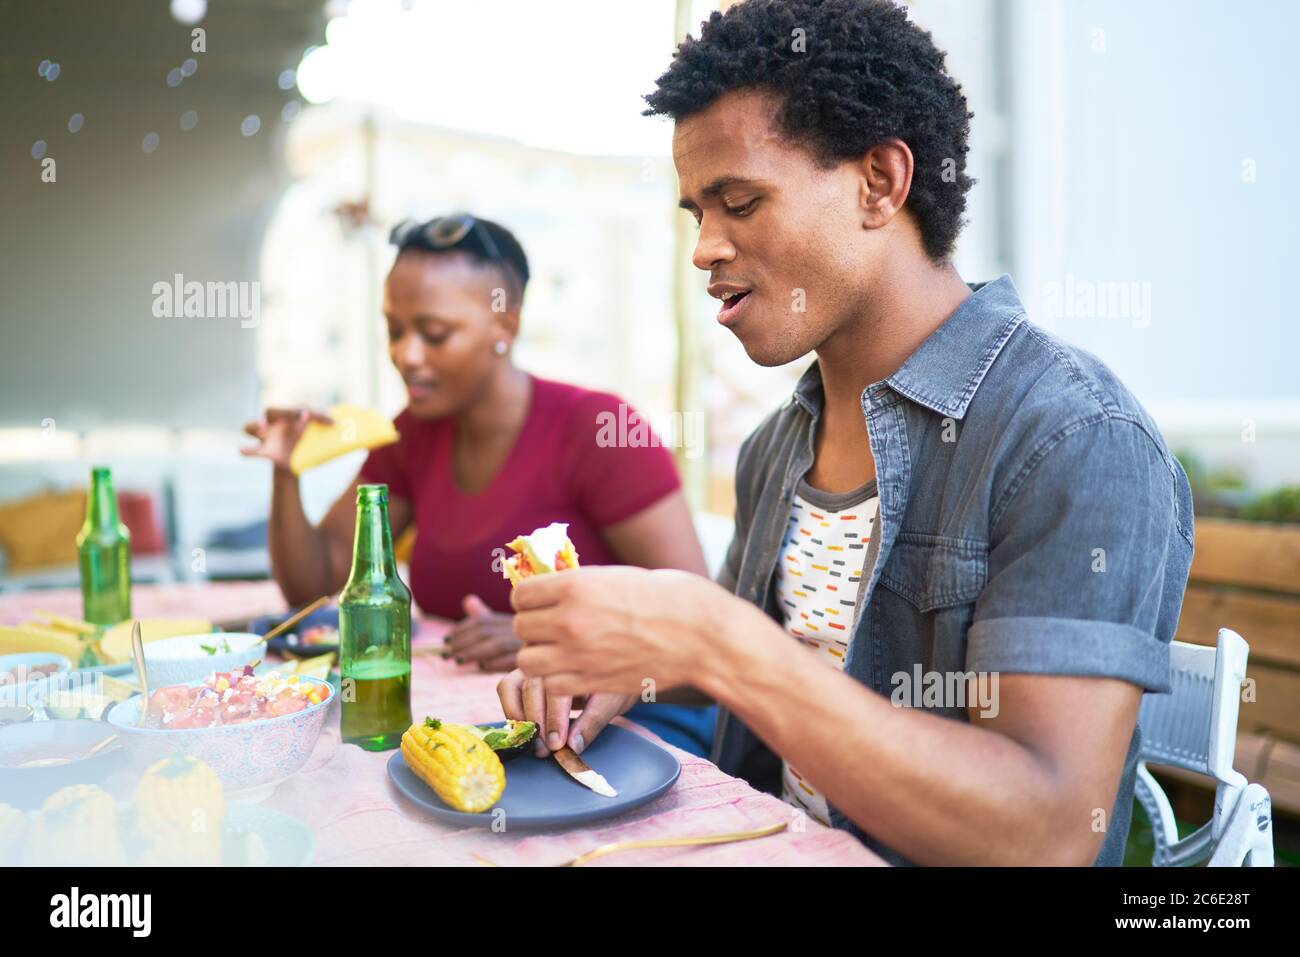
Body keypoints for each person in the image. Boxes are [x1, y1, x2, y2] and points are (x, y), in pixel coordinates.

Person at [500, 0, 1193, 865]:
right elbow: (785, 665)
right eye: (695, 215)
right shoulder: (776, 448)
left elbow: (1047, 829)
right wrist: (629, 662)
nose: (704, 248)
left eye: (740, 201)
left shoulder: (1072, 439)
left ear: (880, 184)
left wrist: (717, 638)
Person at [242, 213, 716, 756]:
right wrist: (286, 471)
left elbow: (700, 637)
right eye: (394, 331)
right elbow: (321, 584)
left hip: (636, 736)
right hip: (494, 729)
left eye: (434, 333)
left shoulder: (602, 429)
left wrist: (541, 639)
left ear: (505, 326)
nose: (406, 354)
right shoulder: (412, 434)